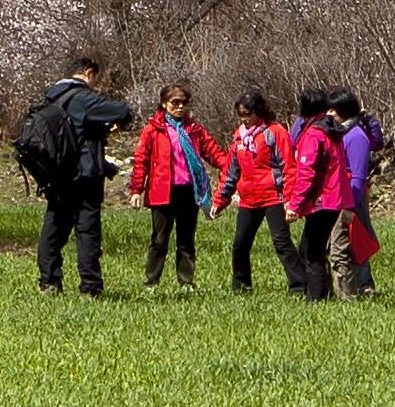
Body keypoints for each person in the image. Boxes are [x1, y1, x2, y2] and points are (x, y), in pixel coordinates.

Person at [15, 57, 132, 301]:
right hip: (84, 174)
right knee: (87, 230)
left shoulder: (50, 97)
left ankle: (49, 282)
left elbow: (72, 131)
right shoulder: (83, 98)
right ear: (88, 73)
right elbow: (122, 111)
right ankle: (90, 288)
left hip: (57, 173)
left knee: (54, 227)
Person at [131, 85, 207, 291]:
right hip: (162, 191)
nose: (180, 107)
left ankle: (186, 281)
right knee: (159, 238)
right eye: (175, 102)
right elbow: (141, 160)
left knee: (186, 239)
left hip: (188, 191)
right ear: (164, 104)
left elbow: (213, 152)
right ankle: (151, 281)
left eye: (184, 102)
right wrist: (136, 189)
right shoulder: (153, 130)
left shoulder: (194, 129)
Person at [215, 89, 289, 292]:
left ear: (259, 112)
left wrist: (290, 199)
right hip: (248, 198)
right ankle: (241, 286)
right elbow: (231, 171)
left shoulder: (275, 132)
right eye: (241, 115)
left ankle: (299, 285)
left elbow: (289, 166)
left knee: (281, 243)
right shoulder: (239, 137)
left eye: (248, 114)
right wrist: (220, 200)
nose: (245, 119)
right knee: (240, 245)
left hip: (273, 196)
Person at [279, 93, 344, 301]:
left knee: (311, 251)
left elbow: (307, 173)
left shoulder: (314, 135)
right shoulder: (332, 130)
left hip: (321, 200)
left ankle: (315, 298)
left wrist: (294, 205)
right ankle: (324, 293)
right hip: (336, 198)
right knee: (313, 247)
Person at [331, 93, 381, 300]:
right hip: (339, 194)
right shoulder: (338, 132)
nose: (329, 113)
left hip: (352, 196)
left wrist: (350, 204)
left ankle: (364, 285)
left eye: (333, 110)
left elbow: (358, 176)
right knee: (343, 241)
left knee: (356, 238)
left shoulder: (356, 136)